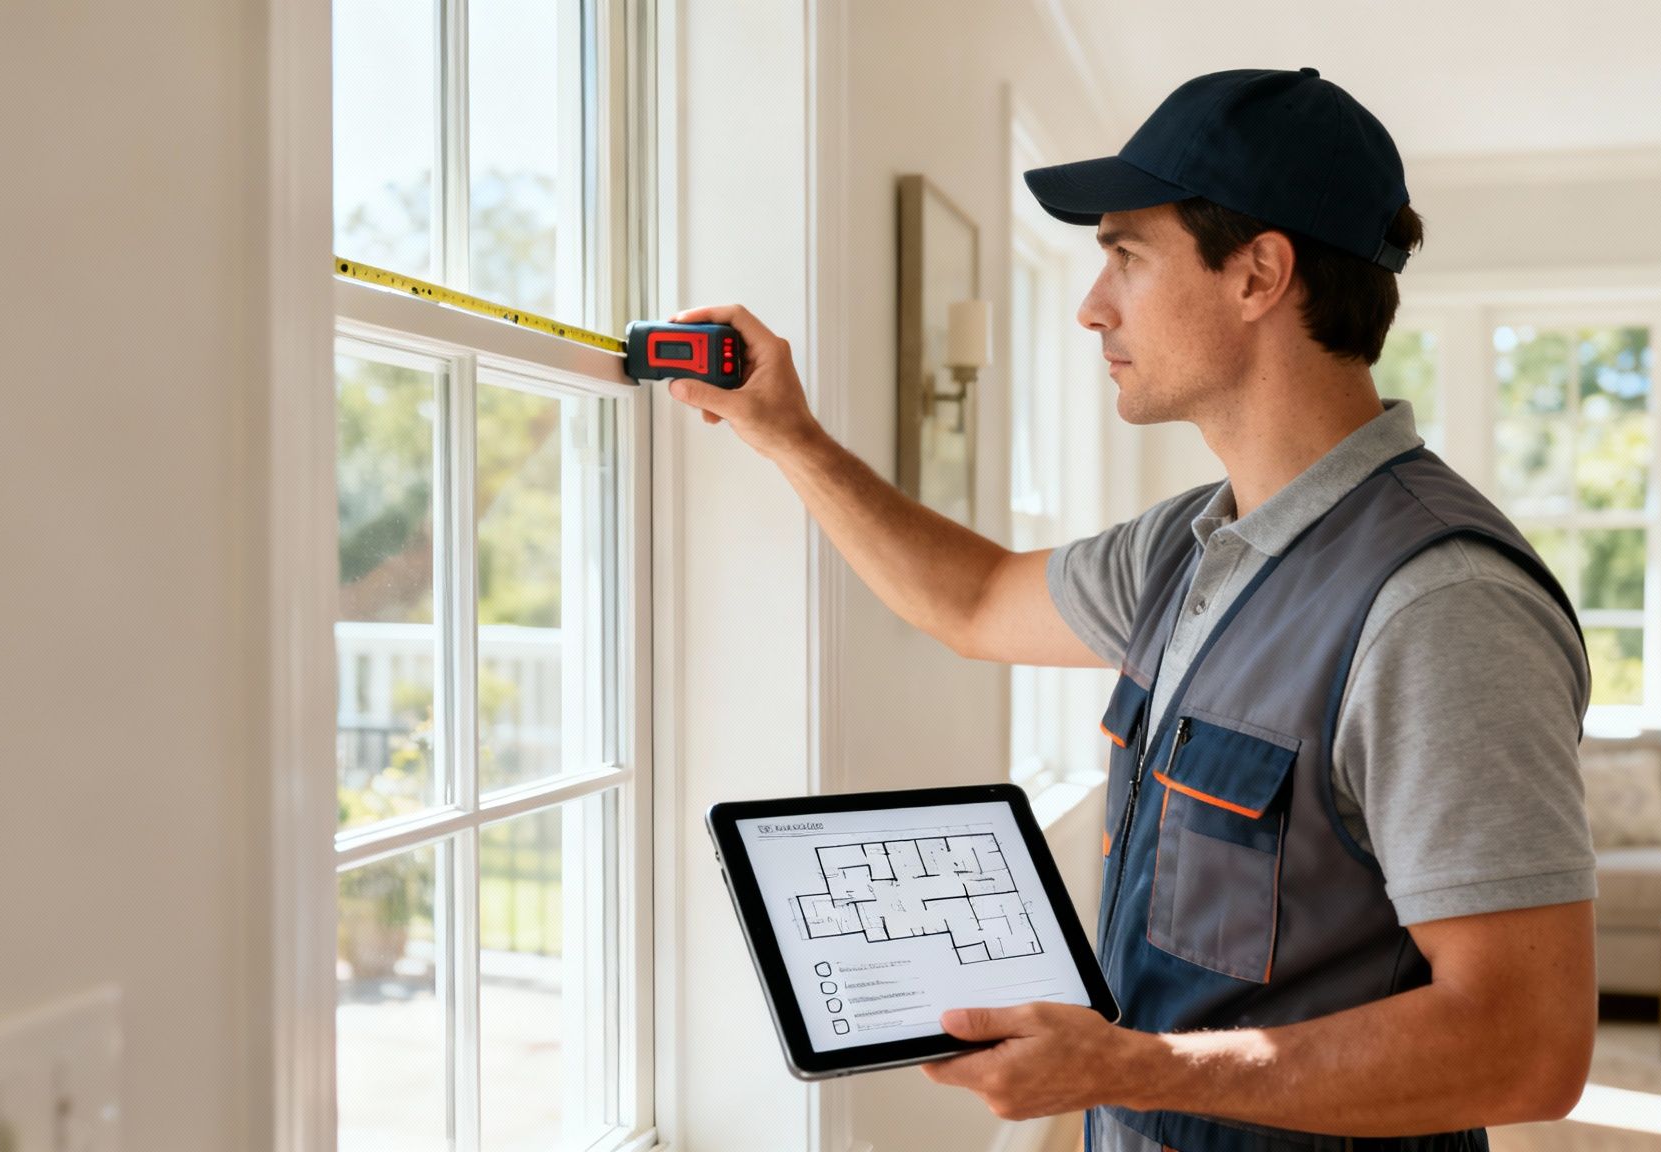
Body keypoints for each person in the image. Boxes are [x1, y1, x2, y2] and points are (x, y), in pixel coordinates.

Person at [662, 66, 1596, 1151]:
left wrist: (1134, 1070)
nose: (1089, 303)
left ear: (1257, 275)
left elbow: (1524, 1047)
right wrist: (790, 437)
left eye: (1124, 254)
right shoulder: (1187, 547)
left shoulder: (1438, 606)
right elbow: (970, 601)